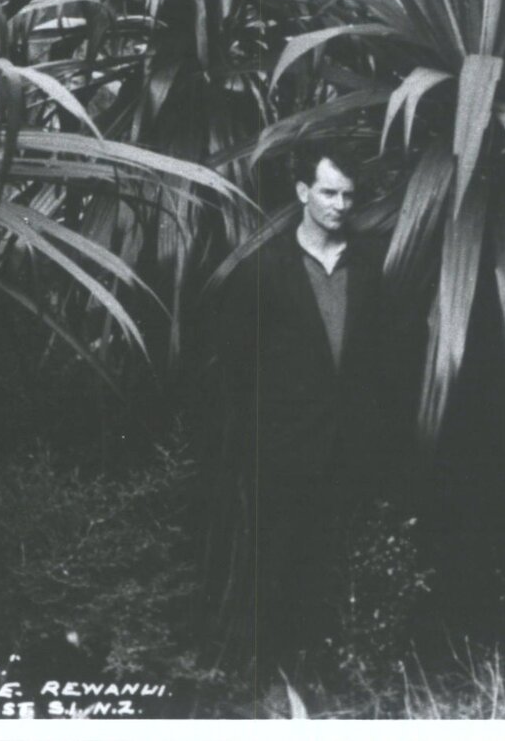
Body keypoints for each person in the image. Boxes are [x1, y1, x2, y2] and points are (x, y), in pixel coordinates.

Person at [205, 146, 402, 686]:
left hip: (355, 450)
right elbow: (237, 374)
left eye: (348, 195)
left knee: (341, 568)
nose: (340, 205)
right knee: (280, 567)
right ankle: (273, 682)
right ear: (301, 194)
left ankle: (340, 679)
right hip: (285, 454)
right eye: (328, 192)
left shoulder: (373, 265)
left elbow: (392, 358)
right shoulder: (262, 272)